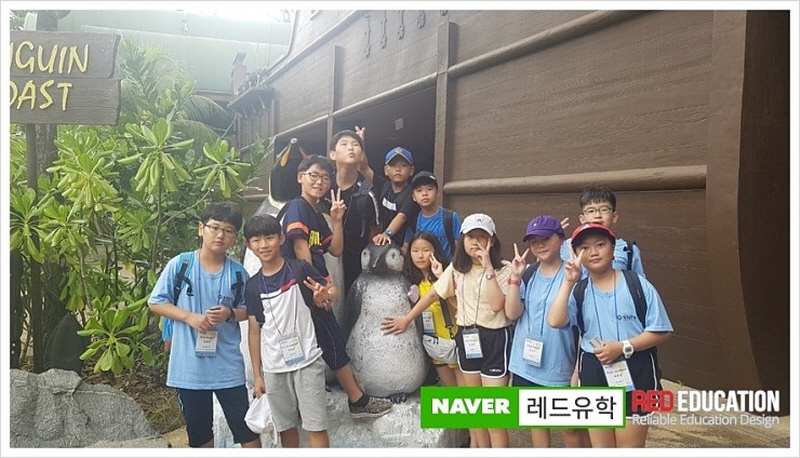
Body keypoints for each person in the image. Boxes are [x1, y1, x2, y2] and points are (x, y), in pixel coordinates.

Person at [382, 213, 513, 448]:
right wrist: (408, 319)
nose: (475, 242)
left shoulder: (504, 269)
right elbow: (433, 294)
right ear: (462, 240)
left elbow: (497, 306)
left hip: (494, 338)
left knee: (494, 414)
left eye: (482, 237)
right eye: (470, 237)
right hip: (468, 336)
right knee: (475, 409)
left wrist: (488, 268)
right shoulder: (457, 269)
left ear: (492, 240)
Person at [281, 154, 393, 418]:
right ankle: (357, 401)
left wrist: (337, 219)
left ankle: (337, 398)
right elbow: (301, 252)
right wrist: (318, 289)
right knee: (331, 340)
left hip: (313, 287)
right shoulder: (297, 207)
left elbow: (336, 249)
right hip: (305, 289)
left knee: (322, 341)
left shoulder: (316, 214)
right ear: (300, 177)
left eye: (325, 177)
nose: (319, 182)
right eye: (314, 175)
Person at [548, 223, 673, 448]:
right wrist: (568, 281)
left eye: (600, 244)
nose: (593, 252)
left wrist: (622, 346)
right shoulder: (579, 290)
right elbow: (555, 320)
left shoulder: (637, 285)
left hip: (635, 368)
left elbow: (662, 330)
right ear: (576, 254)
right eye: (584, 248)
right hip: (594, 370)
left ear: (613, 248)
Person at [148, 201, 260, 449]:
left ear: (234, 238)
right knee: (199, 435)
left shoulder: (238, 273)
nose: (220, 235)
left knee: (247, 429)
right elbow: (156, 302)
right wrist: (190, 317)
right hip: (189, 368)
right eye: (214, 227)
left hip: (227, 367)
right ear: (201, 229)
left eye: (228, 231)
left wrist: (230, 314)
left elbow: (250, 311)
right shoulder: (181, 265)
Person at [244, 214, 332, 448]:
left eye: (270, 237)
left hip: (308, 361)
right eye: (256, 240)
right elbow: (254, 331)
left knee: (316, 426)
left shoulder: (299, 269)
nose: (264, 245)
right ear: (248, 245)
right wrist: (257, 374)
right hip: (274, 368)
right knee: (285, 428)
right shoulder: (253, 286)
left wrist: (325, 297)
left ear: (281, 238)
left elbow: (330, 293)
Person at [505, 215, 588, 448]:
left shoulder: (575, 275)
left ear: (561, 239)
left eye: (545, 239)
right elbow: (512, 313)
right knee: (537, 422)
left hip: (559, 366)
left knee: (570, 428)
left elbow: (584, 327)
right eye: (534, 241)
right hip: (524, 364)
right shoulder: (528, 273)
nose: (539, 245)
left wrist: (577, 370)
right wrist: (515, 278)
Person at [327, 129, 381, 294]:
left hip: (355, 264)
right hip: (326, 259)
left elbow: (375, 231)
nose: (350, 148)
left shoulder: (368, 193)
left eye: (355, 145)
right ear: (332, 154)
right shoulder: (323, 186)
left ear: (361, 155)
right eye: (344, 144)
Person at [561, 186, 645, 276]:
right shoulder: (567, 246)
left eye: (604, 210)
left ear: (614, 216)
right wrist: (554, 236)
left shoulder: (628, 249)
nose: (597, 215)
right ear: (582, 219)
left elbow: (638, 281)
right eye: (591, 211)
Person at [404, 171, 461, 261]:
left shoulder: (450, 218)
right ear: (414, 197)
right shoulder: (413, 222)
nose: (424, 193)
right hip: (422, 268)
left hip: (446, 268)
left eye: (429, 189)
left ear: (438, 193)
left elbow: (459, 247)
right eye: (419, 190)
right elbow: (406, 248)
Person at [371, 147, 419, 251]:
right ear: (385, 170)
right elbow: (364, 169)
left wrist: (386, 234)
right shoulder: (384, 186)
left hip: (403, 247)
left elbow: (402, 216)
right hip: (383, 243)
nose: (398, 169)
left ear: (411, 170)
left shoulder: (411, 194)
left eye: (403, 165)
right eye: (393, 165)